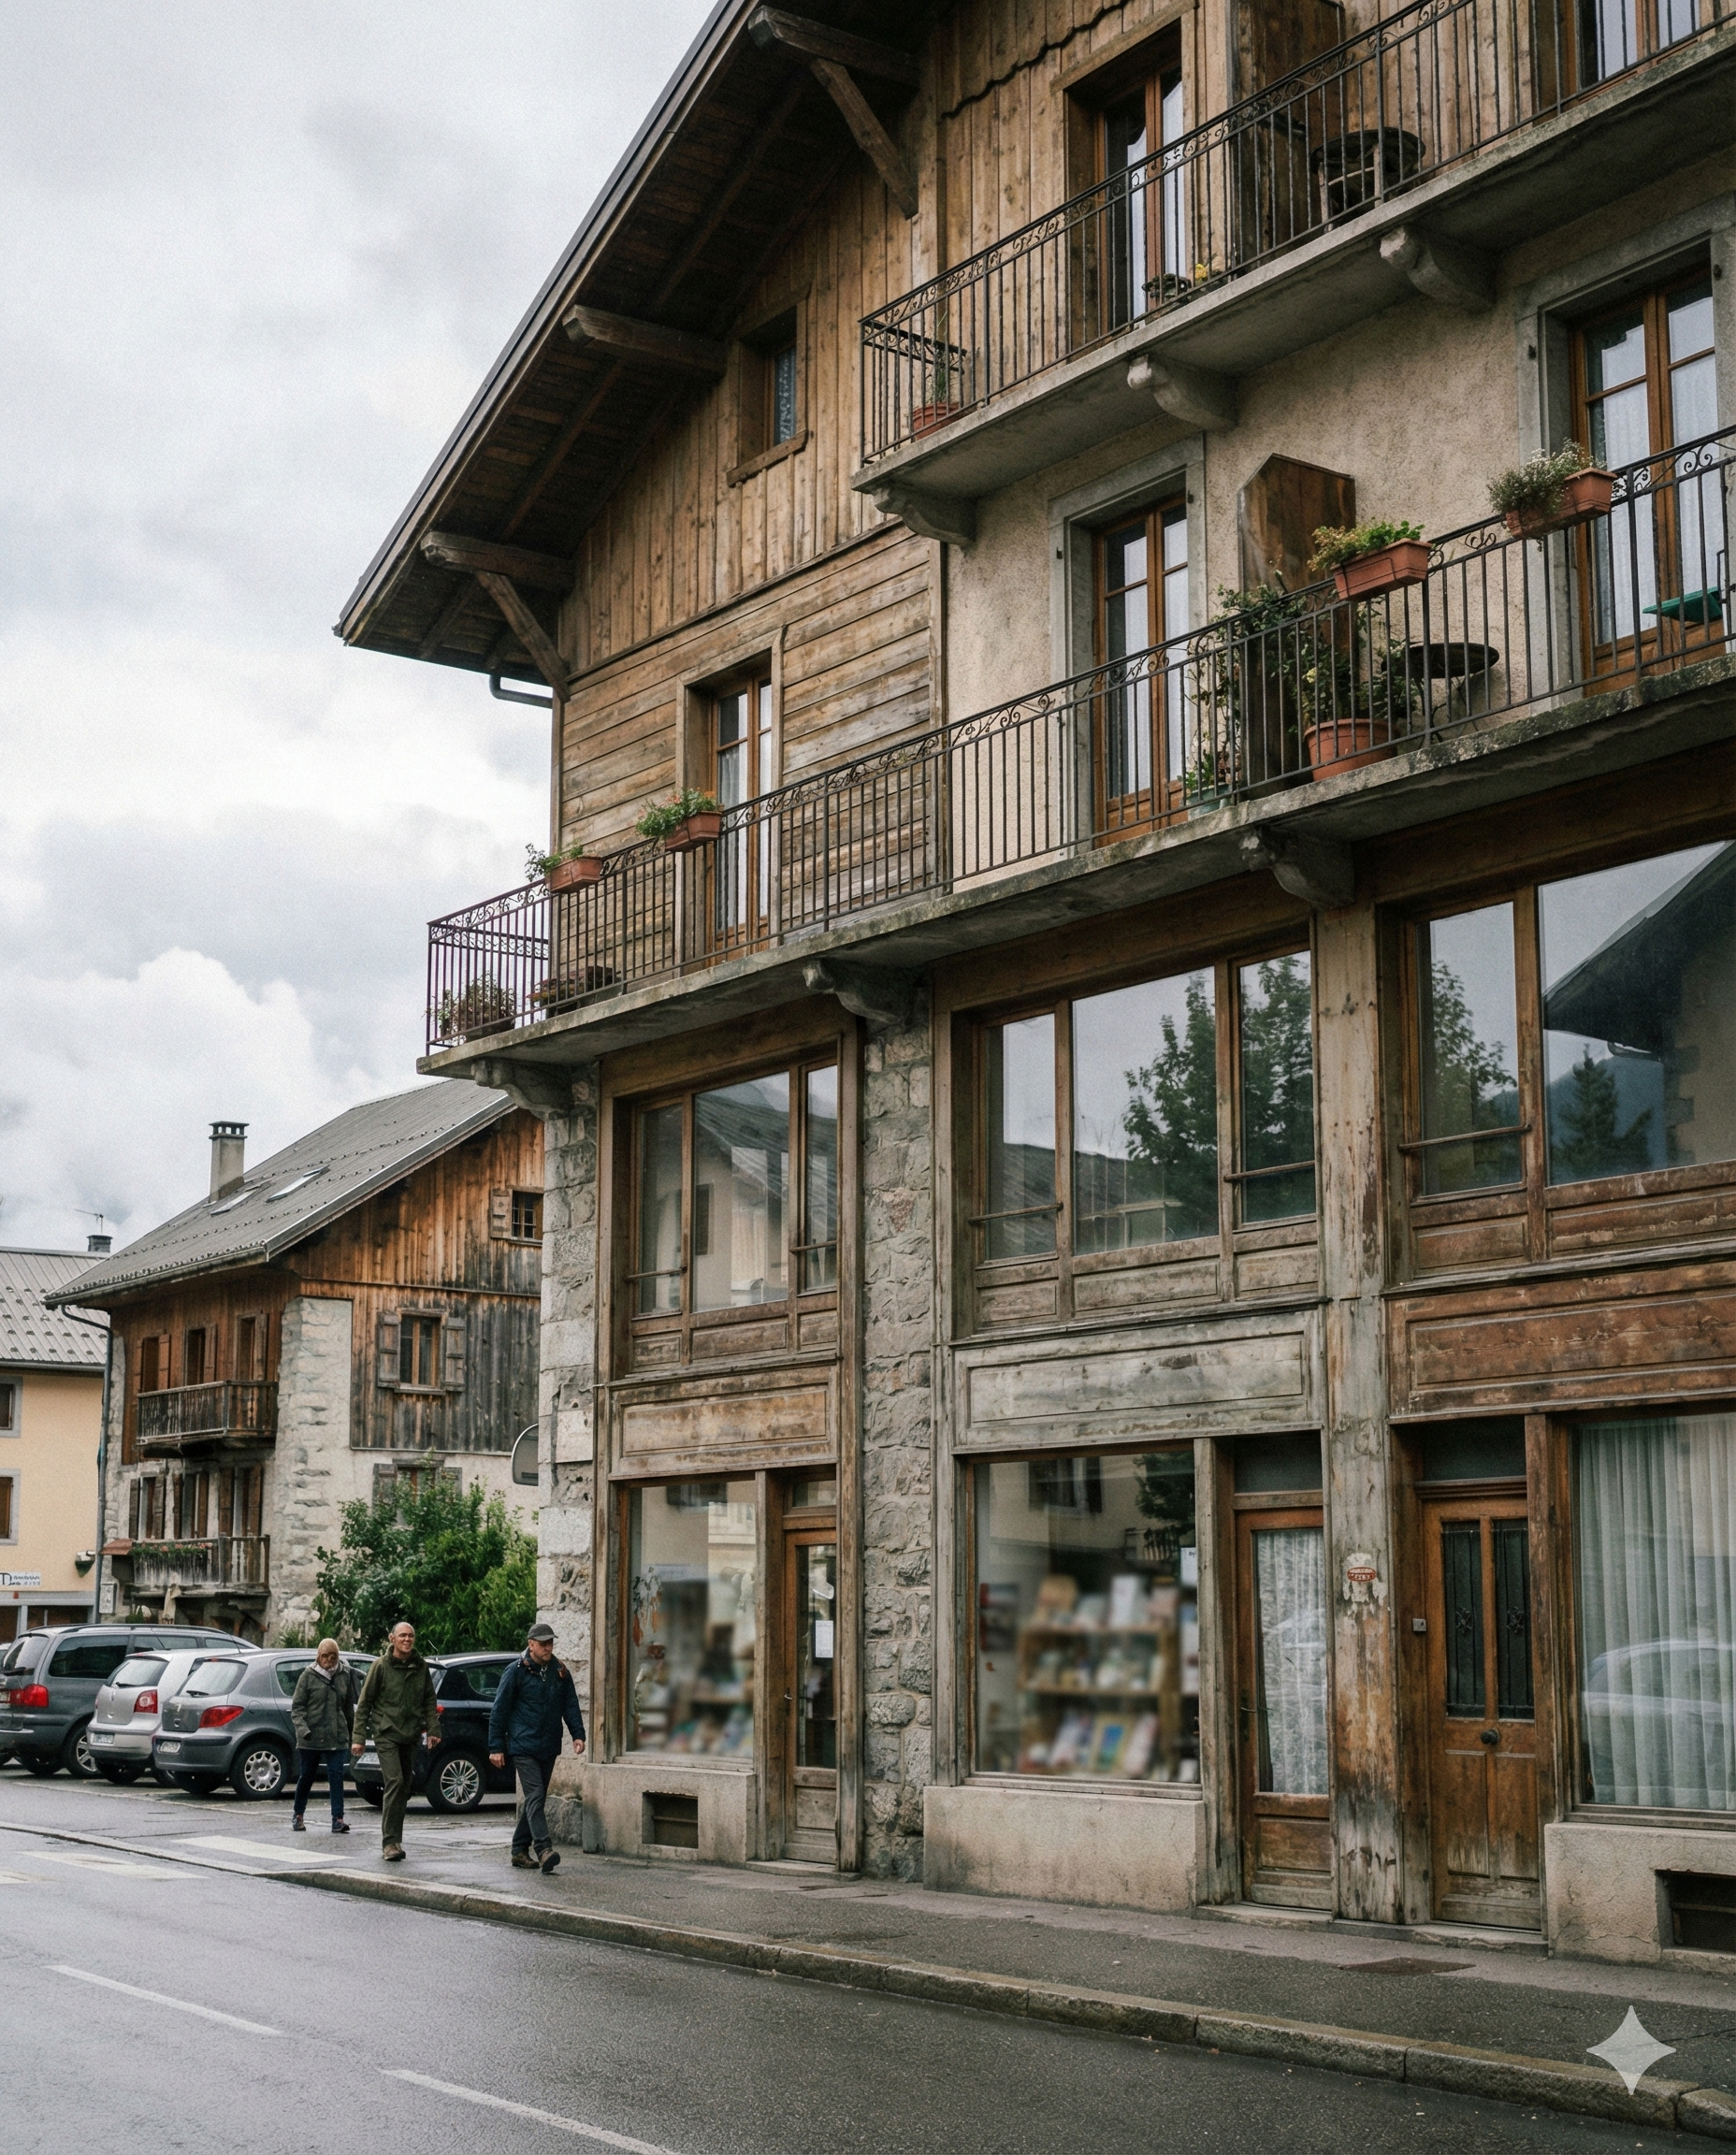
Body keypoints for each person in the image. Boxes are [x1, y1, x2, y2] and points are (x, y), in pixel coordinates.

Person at [488, 1622, 585, 1875]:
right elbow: (499, 1710)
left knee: (537, 1797)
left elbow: (571, 1705)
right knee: (534, 1795)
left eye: (551, 1643)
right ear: (530, 1644)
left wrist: (578, 1735)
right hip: (523, 1745)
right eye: (543, 1644)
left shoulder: (560, 1671)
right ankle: (544, 1849)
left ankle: (519, 1850)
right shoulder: (515, 1671)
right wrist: (496, 1746)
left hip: (548, 1744)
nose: (548, 1648)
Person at [353, 1619, 440, 1862]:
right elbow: (365, 1704)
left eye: (410, 1636)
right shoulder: (380, 1666)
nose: (407, 1640)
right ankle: (389, 1843)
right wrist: (358, 1738)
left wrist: (433, 1729)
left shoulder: (420, 1667)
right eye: (402, 1636)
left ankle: (396, 1840)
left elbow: (429, 1701)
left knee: (405, 1786)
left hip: (410, 1733)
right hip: (386, 1733)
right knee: (395, 1781)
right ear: (392, 1639)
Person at [290, 1639, 357, 1834]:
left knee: (336, 1776)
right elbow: (297, 1708)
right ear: (318, 1657)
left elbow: (348, 1708)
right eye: (325, 1656)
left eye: (333, 1656)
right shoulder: (308, 1676)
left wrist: (353, 1736)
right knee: (307, 1776)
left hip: (336, 1737)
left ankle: (338, 1818)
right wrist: (303, 1730)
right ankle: (298, 1814)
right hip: (310, 1738)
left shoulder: (345, 1674)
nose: (329, 1660)